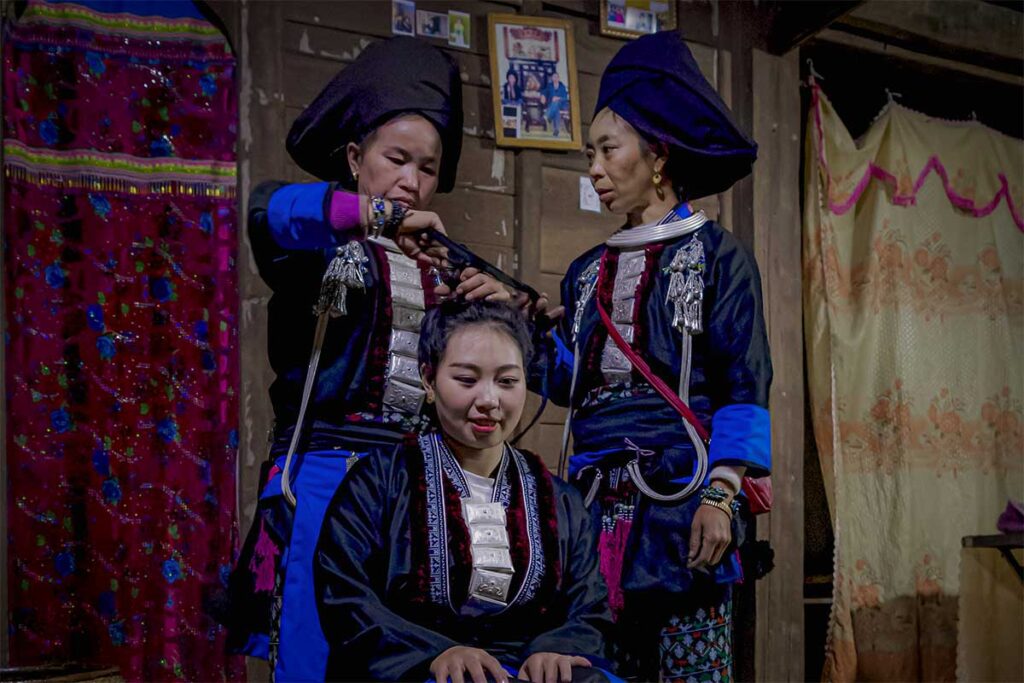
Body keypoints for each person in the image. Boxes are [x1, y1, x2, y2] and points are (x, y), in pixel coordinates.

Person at [227, 37, 509, 681]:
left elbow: (522, 371)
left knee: (407, 653)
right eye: (396, 160)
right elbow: (268, 210)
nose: (411, 180)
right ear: (356, 158)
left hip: (416, 484)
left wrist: (501, 311)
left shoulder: (447, 265)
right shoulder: (320, 240)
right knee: (313, 646)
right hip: (326, 474)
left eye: (428, 168)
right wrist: (375, 216)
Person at [533, 31, 771, 682]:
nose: (596, 168)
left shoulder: (720, 259)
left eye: (608, 150)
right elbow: (569, 384)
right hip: (593, 511)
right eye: (590, 154)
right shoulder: (585, 274)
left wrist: (721, 496)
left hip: (682, 507)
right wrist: (520, 335)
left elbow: (744, 383)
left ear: (658, 153)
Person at [315, 300, 616, 682]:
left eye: (507, 381)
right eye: (467, 380)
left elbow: (588, 605)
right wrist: (436, 654)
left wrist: (555, 649)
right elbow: (344, 595)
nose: (489, 401)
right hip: (412, 665)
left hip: (525, 668)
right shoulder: (378, 483)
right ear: (428, 379)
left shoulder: (559, 500)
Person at [540, 71, 569, 138]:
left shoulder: (562, 87)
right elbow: (544, 91)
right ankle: (556, 130)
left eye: (556, 77)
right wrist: (543, 95)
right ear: (552, 78)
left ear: (559, 78)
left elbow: (565, 98)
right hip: (552, 106)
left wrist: (558, 98)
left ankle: (547, 116)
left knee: (556, 103)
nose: (555, 78)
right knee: (556, 111)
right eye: (554, 77)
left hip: (562, 105)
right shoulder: (549, 86)